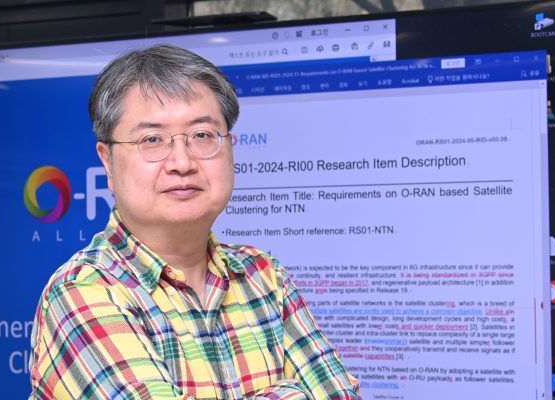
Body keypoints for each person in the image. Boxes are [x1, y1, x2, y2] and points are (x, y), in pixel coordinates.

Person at [29, 44, 361, 400]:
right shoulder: (83, 291)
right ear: (107, 161)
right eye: (152, 139)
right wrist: (298, 393)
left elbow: (342, 394)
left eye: (202, 135)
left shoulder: (264, 276)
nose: (182, 163)